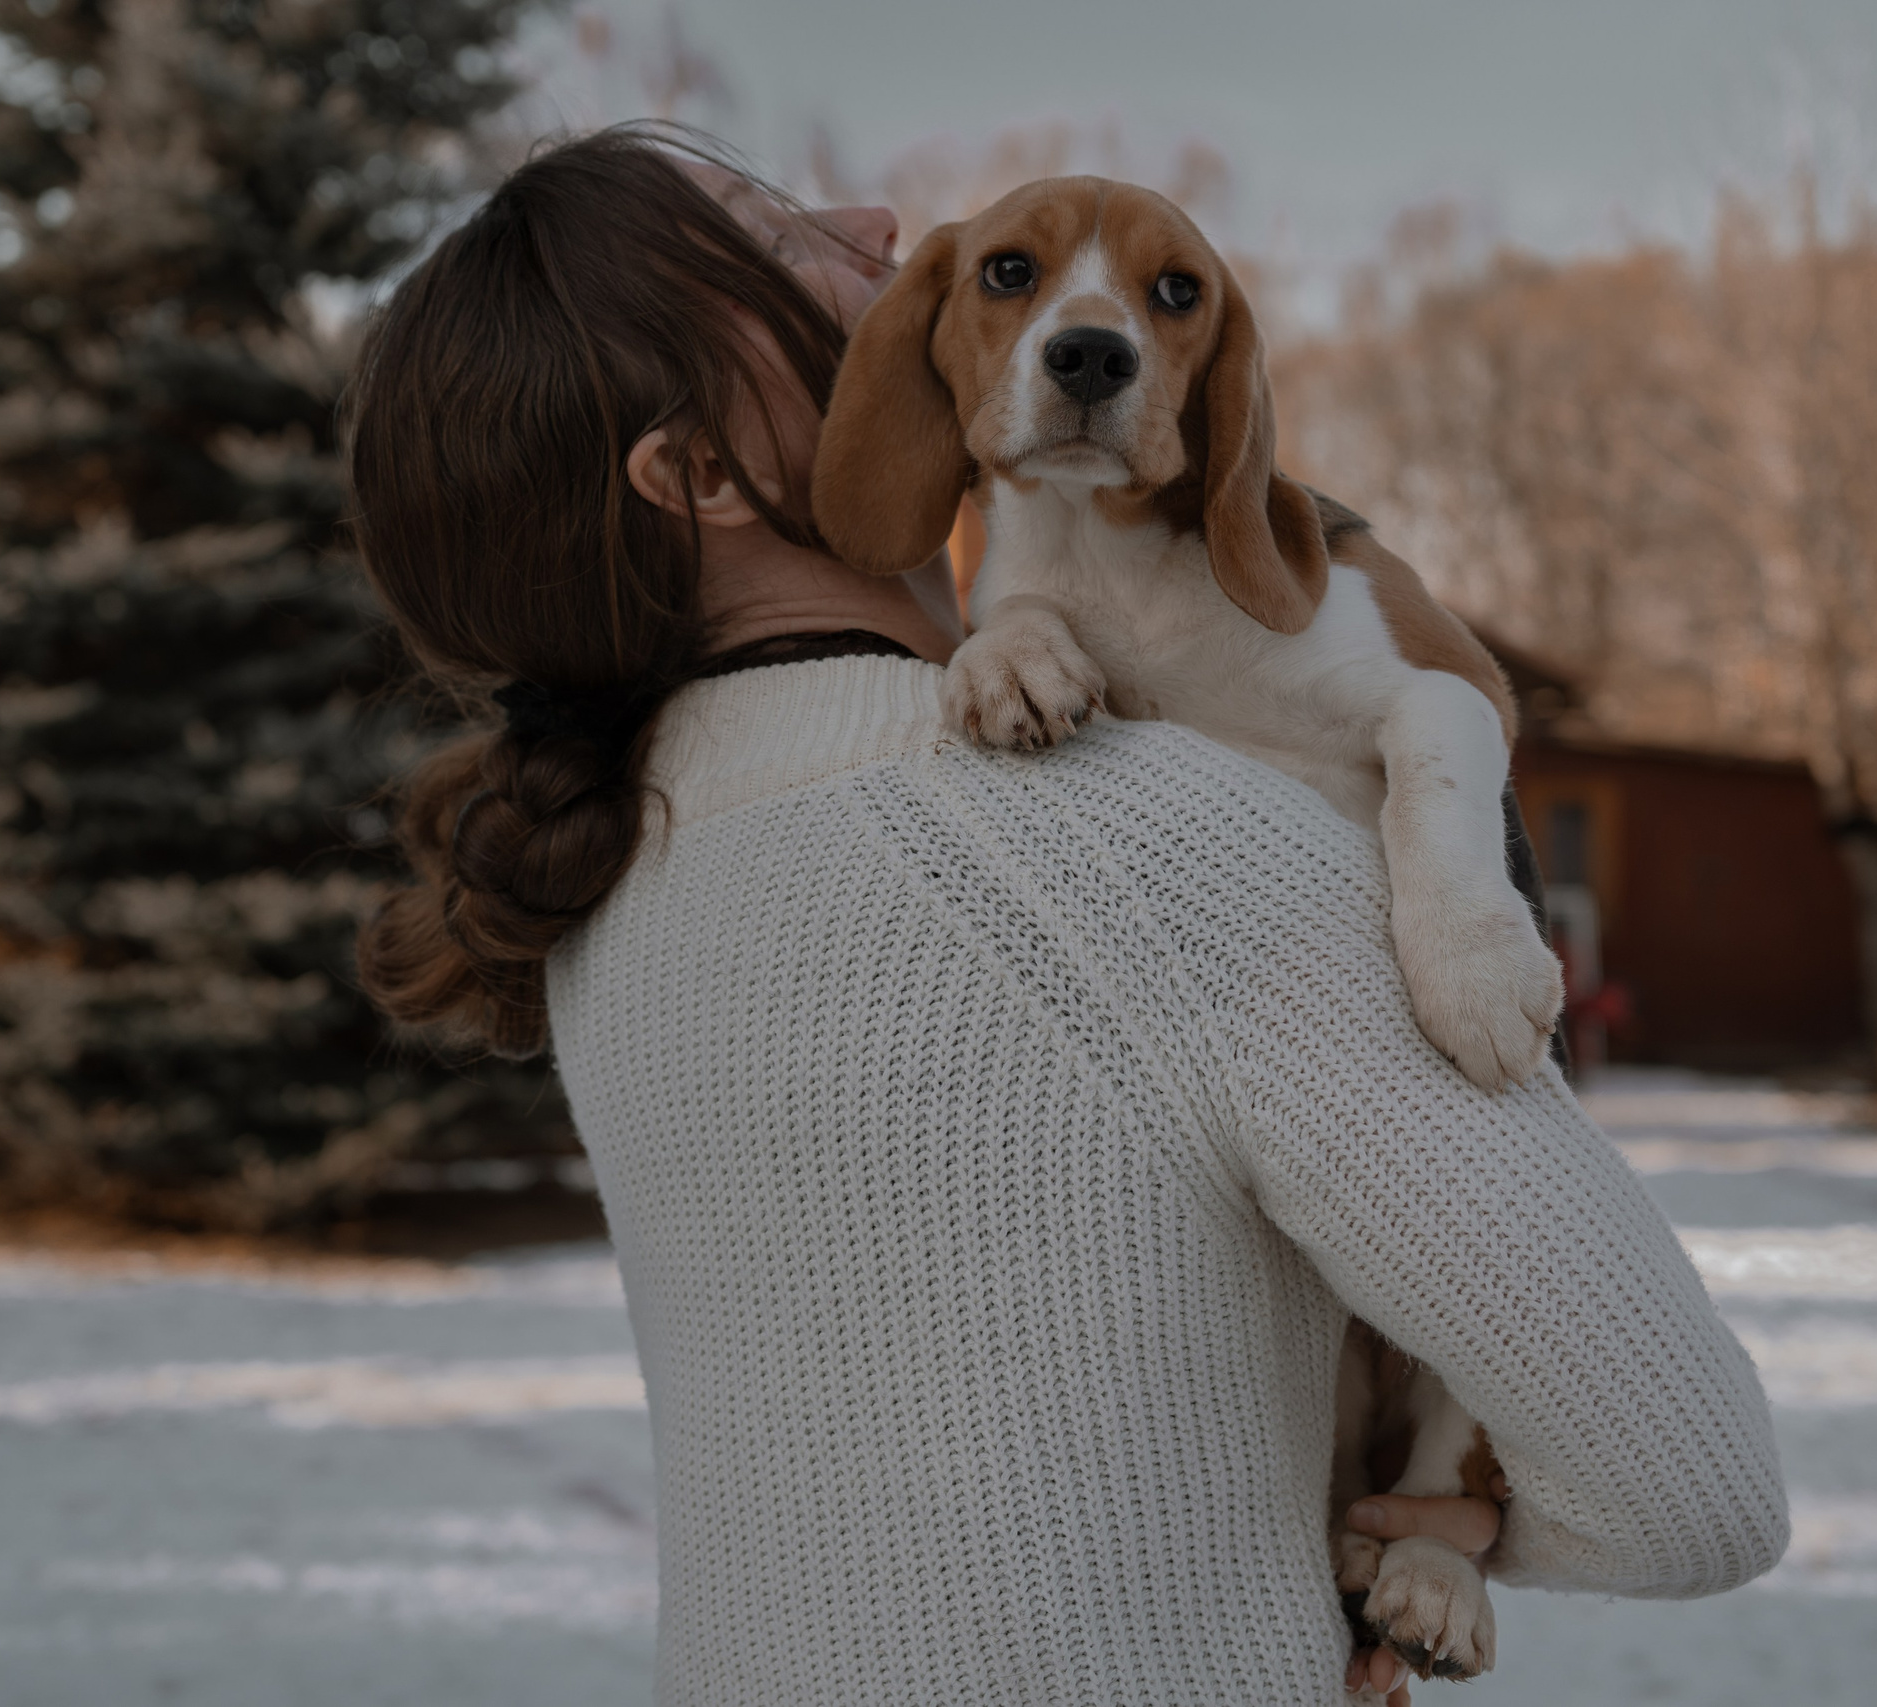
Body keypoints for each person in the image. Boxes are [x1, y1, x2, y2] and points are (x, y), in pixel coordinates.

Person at [345, 128, 1788, 1705]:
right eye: (780, 241)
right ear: (697, 470)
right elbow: (1692, 1483)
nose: (876, 222)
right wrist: (1441, 1533)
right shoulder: (1154, 847)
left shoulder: (607, 884)